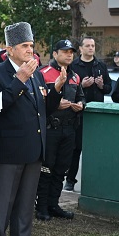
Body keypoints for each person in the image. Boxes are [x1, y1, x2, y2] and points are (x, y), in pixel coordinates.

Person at [0, 22, 63, 236]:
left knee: (25, 206)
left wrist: (57, 90)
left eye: (31, 45)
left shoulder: (37, 73)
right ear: (10, 49)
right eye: (25, 46)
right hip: (7, 151)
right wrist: (20, 79)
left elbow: (43, 109)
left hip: (32, 150)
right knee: (2, 207)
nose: (30, 50)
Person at [36, 40, 84, 221]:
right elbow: (38, 102)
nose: (69, 55)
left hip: (69, 129)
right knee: (46, 169)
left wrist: (81, 104)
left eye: (71, 52)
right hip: (51, 129)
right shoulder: (43, 74)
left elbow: (81, 97)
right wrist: (56, 103)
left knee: (61, 169)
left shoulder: (75, 77)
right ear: (55, 54)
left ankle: (54, 205)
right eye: (65, 52)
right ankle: (41, 207)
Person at [66, 36, 111, 191]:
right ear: (81, 48)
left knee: (95, 149)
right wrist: (82, 85)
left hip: (96, 113)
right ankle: (70, 180)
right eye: (88, 45)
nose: (91, 48)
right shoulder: (73, 65)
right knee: (76, 148)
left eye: (93, 45)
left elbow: (109, 88)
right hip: (78, 112)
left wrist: (102, 85)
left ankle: (94, 182)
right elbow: (68, 87)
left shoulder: (101, 65)